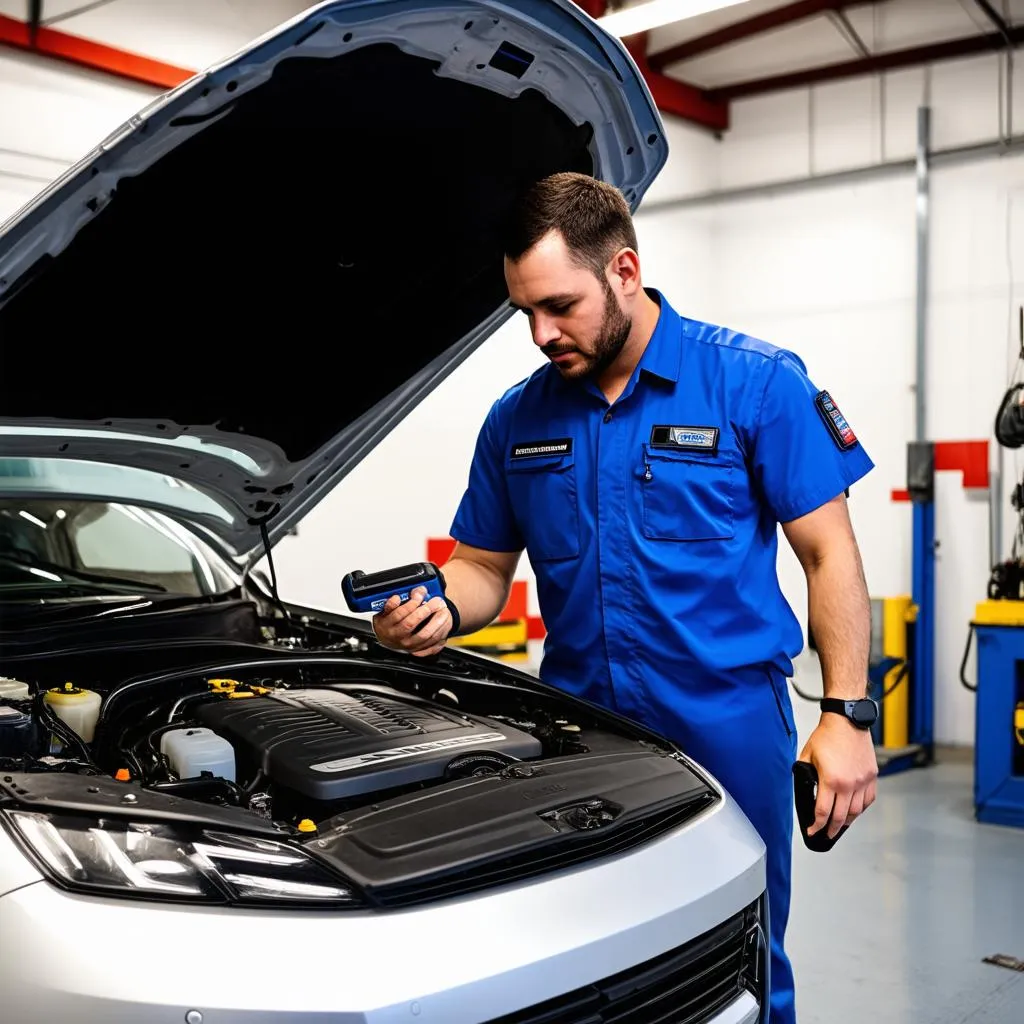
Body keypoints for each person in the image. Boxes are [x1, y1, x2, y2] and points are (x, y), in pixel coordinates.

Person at [372, 172, 878, 1024]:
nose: (541, 333)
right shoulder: (516, 420)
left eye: (560, 306)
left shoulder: (755, 384)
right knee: (589, 954)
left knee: (743, 949)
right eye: (524, 313)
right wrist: (437, 608)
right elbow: (484, 571)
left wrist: (847, 716)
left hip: (729, 723)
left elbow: (830, 553)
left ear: (625, 273)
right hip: (579, 731)